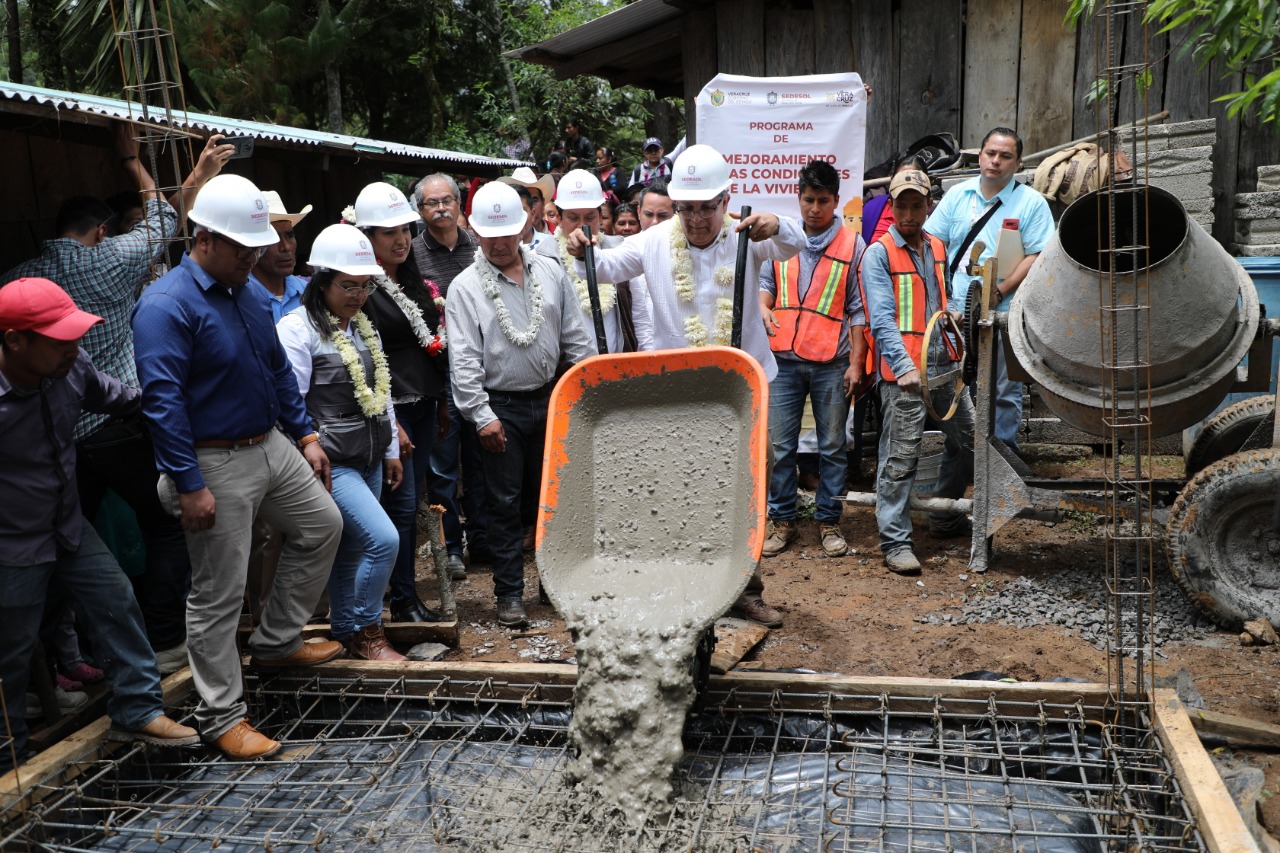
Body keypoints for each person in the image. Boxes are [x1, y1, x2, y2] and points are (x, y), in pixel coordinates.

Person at [3, 123, 234, 676]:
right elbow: (163, 217)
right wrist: (142, 164)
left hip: (58, 439)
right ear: (102, 232)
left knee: (63, 554)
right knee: (167, 524)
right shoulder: (107, 262)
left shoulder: (19, 275)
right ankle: (163, 639)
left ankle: (60, 664)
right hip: (115, 426)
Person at [132, 173, 344, 761]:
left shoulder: (246, 290)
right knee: (218, 592)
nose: (256, 256)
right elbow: (162, 403)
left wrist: (304, 432)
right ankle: (222, 715)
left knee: (323, 525)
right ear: (203, 239)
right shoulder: (166, 306)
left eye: (259, 246)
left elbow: (276, 367)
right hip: (210, 458)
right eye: (244, 247)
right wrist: (190, 483)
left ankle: (276, 641)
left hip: (268, 443)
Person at [564, 143, 804, 629]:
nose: (696, 219)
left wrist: (776, 223)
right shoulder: (654, 242)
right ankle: (688, 584)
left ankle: (746, 590)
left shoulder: (747, 235)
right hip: (682, 392)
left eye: (706, 207)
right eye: (686, 209)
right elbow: (607, 265)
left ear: (726, 201)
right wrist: (581, 244)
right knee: (685, 488)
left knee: (748, 490)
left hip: (746, 389)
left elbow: (794, 242)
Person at [0, 277, 198, 771]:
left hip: (68, 523)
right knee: (11, 653)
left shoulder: (71, 367)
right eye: (59, 338)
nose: (74, 347)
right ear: (14, 341)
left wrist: (184, 418)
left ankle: (139, 709)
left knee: (116, 603)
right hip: (11, 543)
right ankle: (13, 762)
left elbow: (127, 400)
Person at [446, 181, 596, 629]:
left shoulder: (551, 271)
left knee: (553, 499)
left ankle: (554, 585)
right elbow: (464, 359)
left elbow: (575, 337)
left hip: (551, 399)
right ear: (475, 233)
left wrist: (583, 392)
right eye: (488, 234)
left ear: (526, 224)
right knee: (504, 504)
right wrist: (481, 415)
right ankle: (509, 594)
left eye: (506, 232)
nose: (497, 242)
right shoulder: (464, 287)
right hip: (500, 408)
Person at [277, 225, 406, 661]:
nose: (357, 295)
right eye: (347, 285)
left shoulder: (363, 328)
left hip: (369, 453)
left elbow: (381, 393)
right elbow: (288, 399)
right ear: (321, 280)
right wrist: (307, 443)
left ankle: (347, 629)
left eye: (365, 286)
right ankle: (369, 632)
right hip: (332, 460)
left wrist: (389, 450)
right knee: (383, 540)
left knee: (352, 548)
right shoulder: (297, 330)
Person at [861, 169, 975, 575]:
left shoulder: (937, 247)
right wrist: (905, 366)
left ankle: (945, 516)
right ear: (891, 207)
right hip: (904, 375)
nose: (908, 213)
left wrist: (953, 317)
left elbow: (937, 302)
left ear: (929, 206)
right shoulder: (878, 254)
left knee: (971, 442)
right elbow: (882, 320)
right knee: (899, 458)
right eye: (900, 205)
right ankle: (895, 542)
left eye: (916, 204)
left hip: (945, 367)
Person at [351, 181, 449, 622]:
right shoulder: (361, 291)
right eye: (388, 232)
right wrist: (395, 425)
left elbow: (432, 345)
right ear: (366, 237)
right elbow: (370, 361)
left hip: (425, 403)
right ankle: (402, 601)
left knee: (414, 499)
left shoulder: (414, 282)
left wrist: (442, 401)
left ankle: (406, 596)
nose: (401, 239)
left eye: (405, 230)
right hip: (393, 412)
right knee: (402, 505)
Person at [759, 160, 868, 559]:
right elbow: (766, 285)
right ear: (798, 198)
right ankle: (782, 519)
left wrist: (857, 364)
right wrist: (763, 307)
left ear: (836, 201)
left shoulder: (853, 246)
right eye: (808, 200)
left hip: (832, 364)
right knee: (781, 447)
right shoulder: (779, 240)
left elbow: (858, 309)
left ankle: (829, 520)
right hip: (782, 361)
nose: (815, 208)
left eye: (823, 201)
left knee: (833, 447)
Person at [924, 127, 1053, 454]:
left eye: (1005, 156)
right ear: (979, 155)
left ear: (1018, 162)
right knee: (956, 385)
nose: (996, 161)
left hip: (1005, 312)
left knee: (1003, 391)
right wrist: (941, 295)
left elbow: (1039, 254)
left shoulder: (1031, 203)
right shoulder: (957, 195)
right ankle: (964, 455)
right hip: (956, 313)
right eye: (990, 153)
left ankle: (1002, 458)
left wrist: (1003, 288)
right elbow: (932, 243)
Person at [409, 173, 492, 577]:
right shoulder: (410, 254)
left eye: (447, 201)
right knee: (443, 466)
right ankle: (450, 547)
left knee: (482, 460)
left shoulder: (480, 248)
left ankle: (482, 537)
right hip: (437, 376)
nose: (441, 208)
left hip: (482, 372)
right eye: (431, 203)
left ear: (460, 205)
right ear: (419, 210)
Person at [537, 168, 653, 354]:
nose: (582, 225)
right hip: (570, 369)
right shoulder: (544, 257)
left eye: (590, 217)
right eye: (573, 218)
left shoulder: (619, 249)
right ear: (559, 218)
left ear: (601, 217)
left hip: (618, 364)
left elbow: (639, 315)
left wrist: (648, 356)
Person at [248, 191, 312, 322]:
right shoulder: (239, 295)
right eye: (274, 238)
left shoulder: (310, 294)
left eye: (289, 235)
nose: (286, 247)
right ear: (253, 244)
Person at [498, 166, 557, 237]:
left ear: (543, 203)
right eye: (520, 202)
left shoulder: (559, 236)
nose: (530, 207)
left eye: (534, 200)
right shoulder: (500, 239)